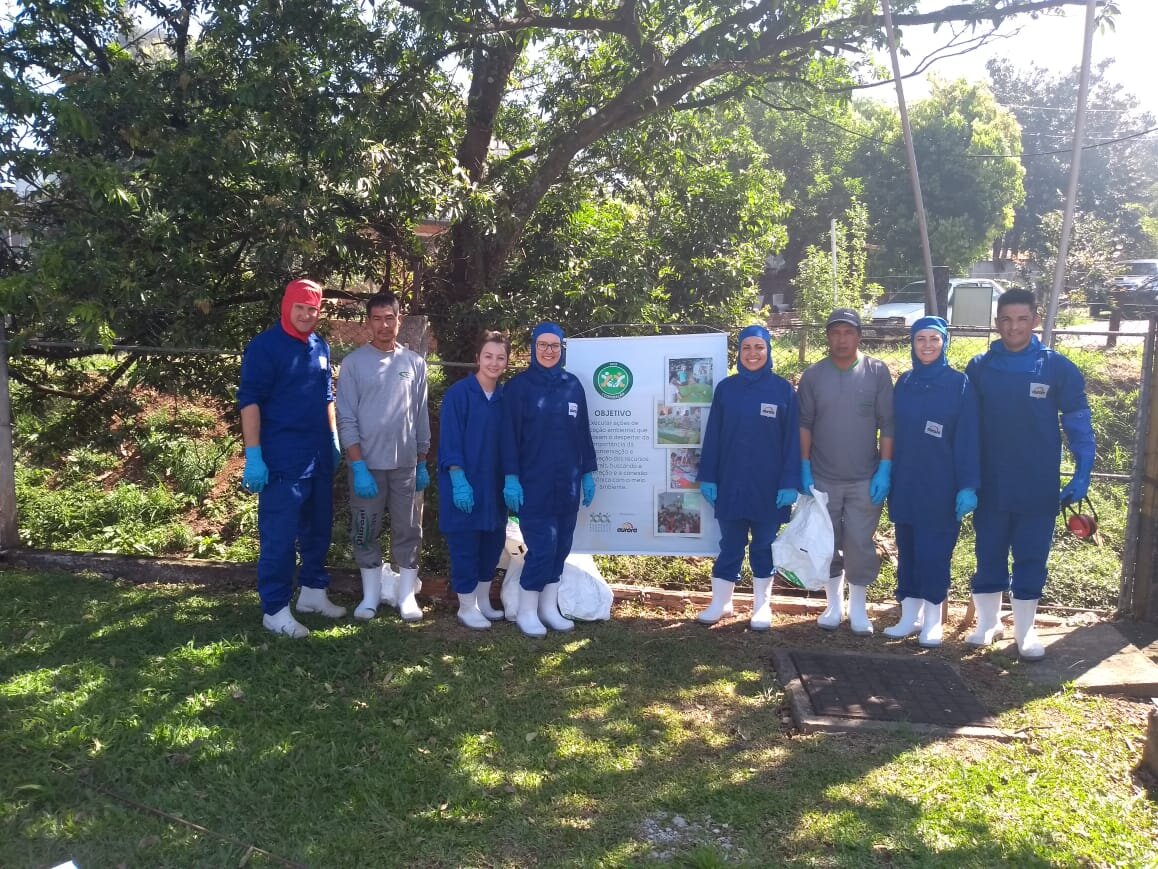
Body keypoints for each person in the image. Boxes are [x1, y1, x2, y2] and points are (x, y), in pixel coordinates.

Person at [965, 288, 1094, 659]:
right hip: (989, 484)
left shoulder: (1057, 368)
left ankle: (1025, 631)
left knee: (1031, 555)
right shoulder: (980, 367)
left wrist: (1082, 472)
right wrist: (964, 479)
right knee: (988, 553)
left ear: (1035, 320)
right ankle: (988, 623)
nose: (1014, 327)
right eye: (1006, 319)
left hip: (1037, 485)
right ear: (996, 323)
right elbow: (965, 428)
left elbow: (1079, 425)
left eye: (1022, 319)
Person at [237, 278, 345, 639]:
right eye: (300, 307)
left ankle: (313, 593)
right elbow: (249, 401)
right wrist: (254, 455)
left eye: (312, 309)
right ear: (287, 307)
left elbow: (327, 395)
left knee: (318, 528)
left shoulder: (320, 346)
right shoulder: (264, 348)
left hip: (317, 455)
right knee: (280, 537)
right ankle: (275, 608)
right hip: (282, 458)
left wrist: (332, 437)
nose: (305, 315)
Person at [696, 325, 801, 630]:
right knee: (730, 543)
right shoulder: (726, 389)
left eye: (759, 348)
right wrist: (709, 477)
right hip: (731, 483)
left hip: (770, 486)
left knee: (764, 545)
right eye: (747, 348)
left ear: (768, 352)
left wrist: (789, 482)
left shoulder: (783, 390)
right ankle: (721, 603)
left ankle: (761, 606)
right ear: (738, 353)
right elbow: (713, 435)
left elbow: (793, 440)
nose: (753, 353)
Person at [797, 308, 895, 635]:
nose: (842, 339)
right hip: (823, 477)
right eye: (835, 333)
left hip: (864, 478)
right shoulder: (813, 376)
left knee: (859, 543)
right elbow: (804, 425)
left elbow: (888, 425)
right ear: (827, 336)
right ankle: (833, 605)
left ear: (858, 335)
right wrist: (805, 466)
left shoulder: (877, 372)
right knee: (827, 542)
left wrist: (885, 467)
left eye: (848, 332)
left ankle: (859, 608)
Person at [884, 317, 980, 647]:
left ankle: (933, 621)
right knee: (908, 549)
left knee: (934, 553)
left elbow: (968, 437)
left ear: (944, 344)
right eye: (920, 339)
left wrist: (968, 484)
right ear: (912, 343)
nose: (926, 345)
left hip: (941, 485)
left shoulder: (959, 384)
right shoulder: (905, 382)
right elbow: (892, 431)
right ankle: (909, 617)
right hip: (906, 482)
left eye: (934, 340)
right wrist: (886, 472)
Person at [336, 292, 431, 623]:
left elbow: (420, 416)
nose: (383, 325)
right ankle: (370, 597)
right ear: (368, 322)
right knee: (365, 530)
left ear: (399, 320)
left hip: (406, 466)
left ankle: (406, 596)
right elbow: (345, 417)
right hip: (367, 468)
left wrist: (422, 461)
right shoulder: (353, 364)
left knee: (409, 529)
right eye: (376, 319)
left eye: (389, 318)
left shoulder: (414, 363)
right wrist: (357, 464)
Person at [501, 322, 598, 637]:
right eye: (542, 345)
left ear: (562, 349)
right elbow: (508, 439)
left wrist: (587, 473)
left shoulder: (572, 386)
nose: (548, 350)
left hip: (566, 483)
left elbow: (582, 432)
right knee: (542, 547)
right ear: (532, 347)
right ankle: (528, 610)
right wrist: (511, 478)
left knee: (561, 547)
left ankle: (548, 608)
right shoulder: (518, 388)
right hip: (534, 484)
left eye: (554, 345)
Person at [438, 330, 511, 630]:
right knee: (465, 546)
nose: (494, 363)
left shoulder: (507, 398)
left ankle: (482, 601)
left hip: (494, 486)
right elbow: (450, 440)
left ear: (507, 363)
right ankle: (466, 607)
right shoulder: (459, 395)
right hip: (465, 483)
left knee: (492, 544)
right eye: (488, 356)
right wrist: (458, 478)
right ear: (477, 358)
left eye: (500, 358)